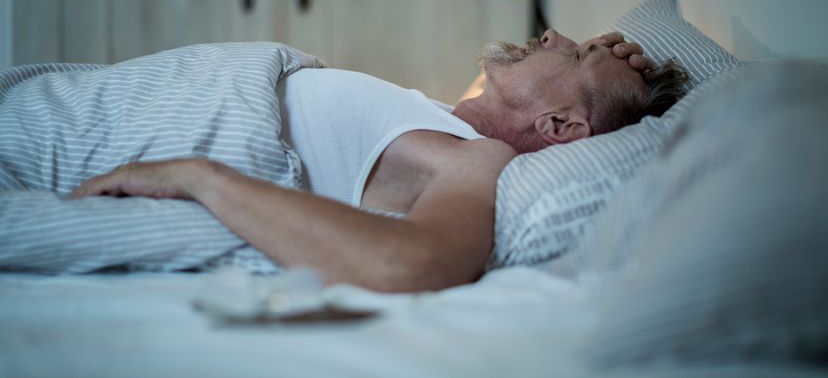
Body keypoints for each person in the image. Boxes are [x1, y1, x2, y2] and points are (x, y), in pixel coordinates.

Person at [70, 29, 687, 292]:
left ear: (558, 127)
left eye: (574, 53)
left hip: (93, 140)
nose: (552, 35)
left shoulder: (478, 159)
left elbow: (414, 262)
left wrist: (198, 176)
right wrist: (595, 68)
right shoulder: (438, 114)